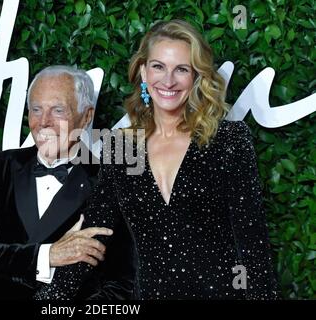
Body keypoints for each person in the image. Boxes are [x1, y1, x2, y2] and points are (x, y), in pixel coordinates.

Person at [34, 20, 279, 300]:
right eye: (158, 67)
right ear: (143, 72)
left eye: (182, 69)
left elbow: (253, 247)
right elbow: (95, 230)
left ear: (197, 77)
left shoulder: (228, 140)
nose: (169, 81)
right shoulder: (122, 146)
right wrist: (54, 296)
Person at [0, 65, 138, 299]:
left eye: (58, 110)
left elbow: (121, 286)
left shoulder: (110, 182)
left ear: (86, 117)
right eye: (36, 109)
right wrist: (48, 256)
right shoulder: (3, 166)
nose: (44, 121)